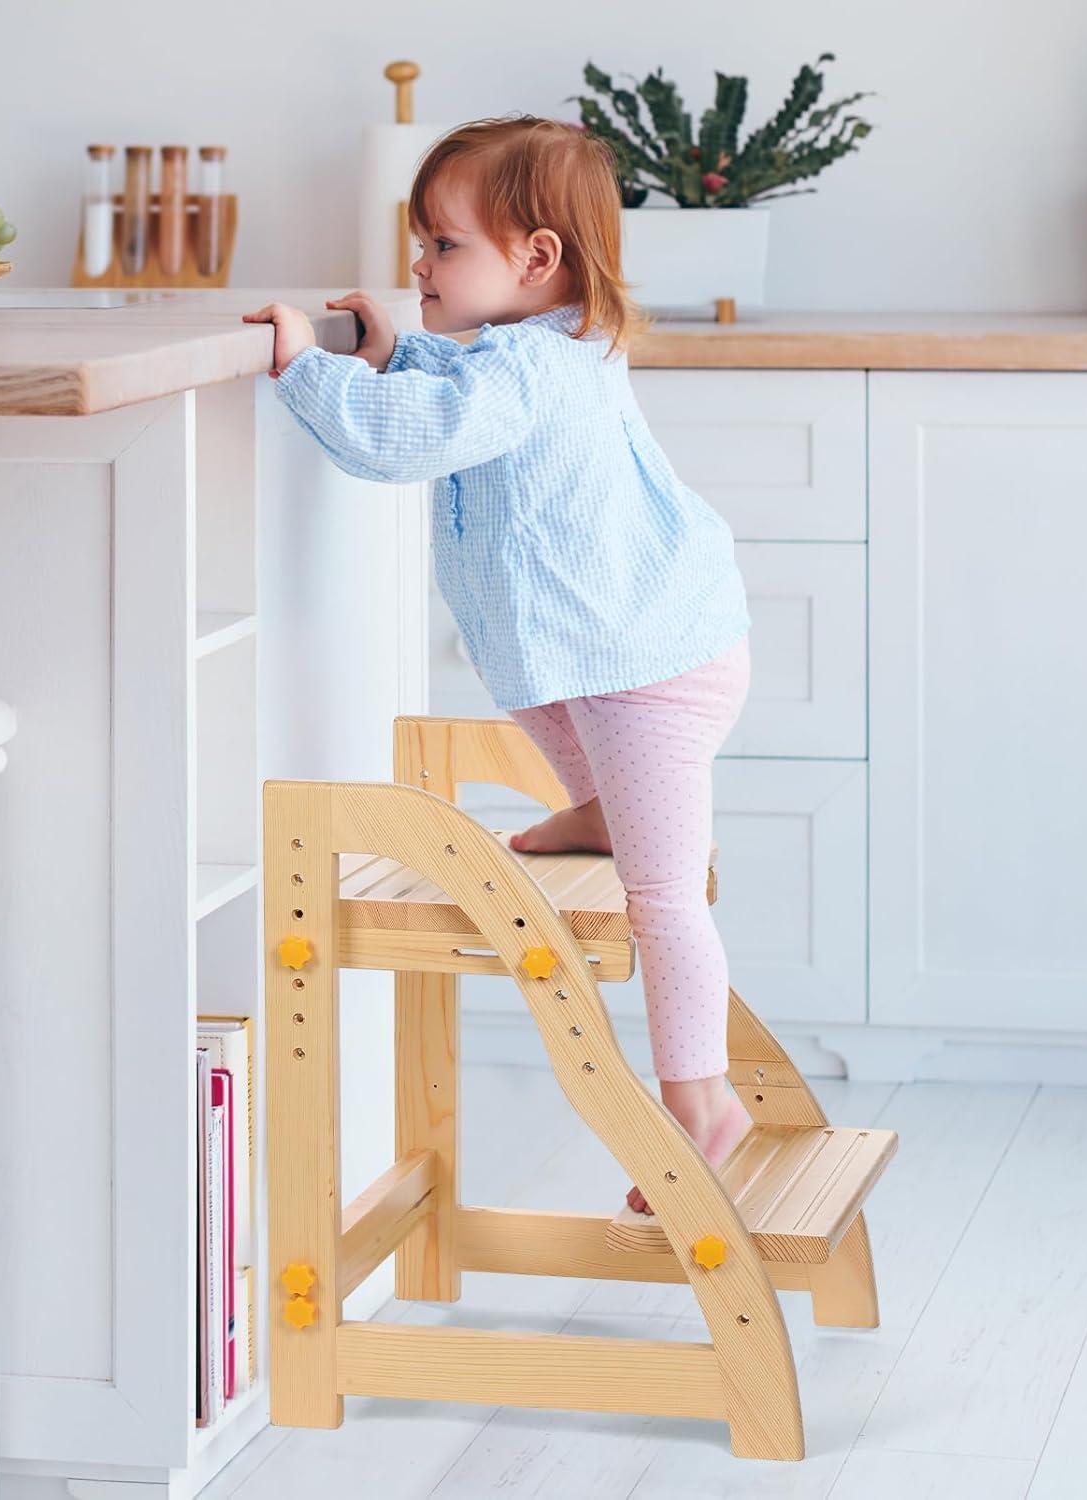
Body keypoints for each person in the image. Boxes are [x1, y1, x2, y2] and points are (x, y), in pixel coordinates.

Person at [243, 115, 753, 1215]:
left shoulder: (534, 369)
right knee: (535, 688)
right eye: (421, 244)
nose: (421, 265)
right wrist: (396, 348)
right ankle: (600, 807)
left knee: (665, 898)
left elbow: (410, 438)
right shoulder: (546, 346)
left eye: (443, 247)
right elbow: (463, 391)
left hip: (654, 665)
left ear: (534, 261)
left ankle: (704, 1103)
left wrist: (305, 368)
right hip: (610, 656)